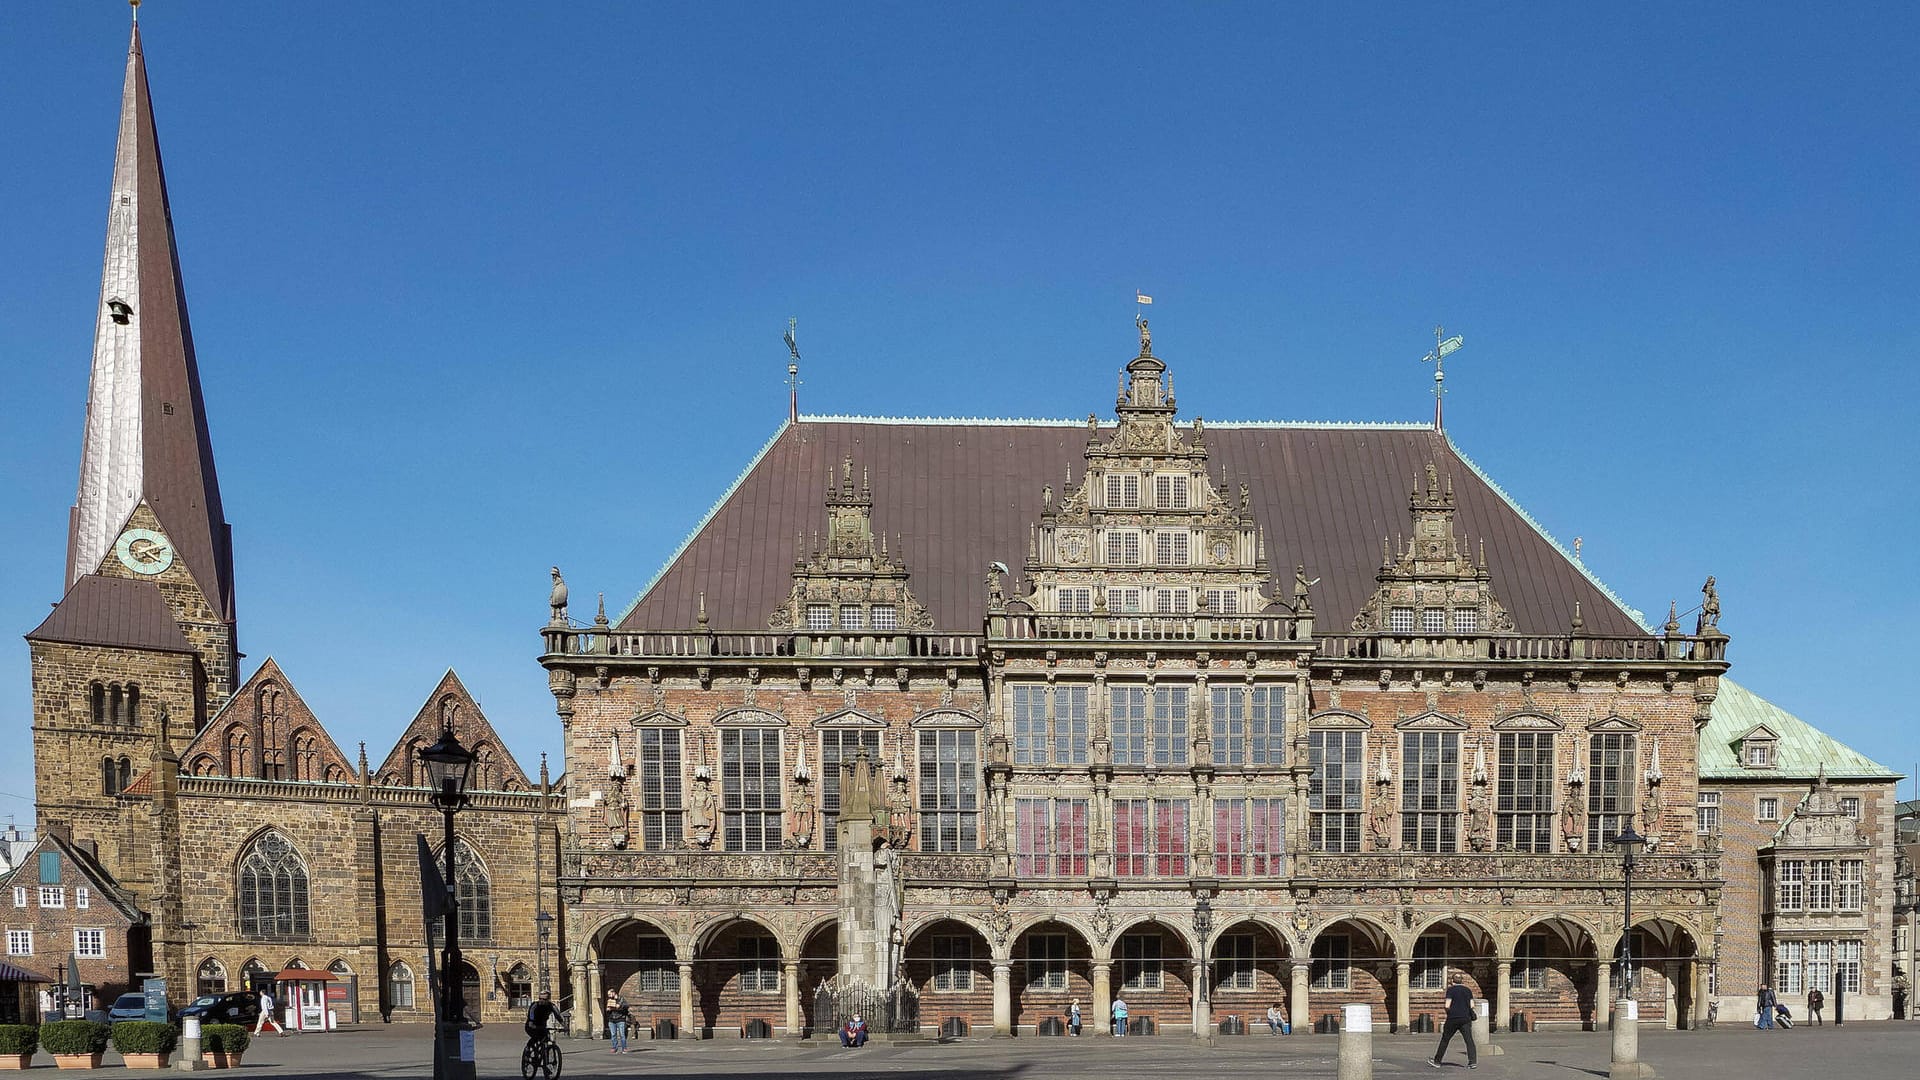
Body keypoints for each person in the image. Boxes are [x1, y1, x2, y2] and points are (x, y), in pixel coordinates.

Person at [1429, 973, 1477, 1069]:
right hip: (1465, 1018)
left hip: (1453, 1018)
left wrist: (1450, 1012)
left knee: (1445, 1039)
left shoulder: (1451, 990)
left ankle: (1437, 1061)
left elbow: (1447, 1005)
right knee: (1469, 1040)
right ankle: (1472, 1062)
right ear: (1462, 980)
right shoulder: (1468, 990)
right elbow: (1472, 1005)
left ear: (1452, 981)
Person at [604, 988, 630, 1053]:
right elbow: (608, 1010)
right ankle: (614, 1048)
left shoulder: (621, 999)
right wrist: (608, 1010)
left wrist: (620, 1006)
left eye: (609, 994)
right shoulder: (609, 1000)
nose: (609, 995)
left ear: (613, 993)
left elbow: (627, 1006)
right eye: (608, 994)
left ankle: (624, 1048)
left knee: (622, 1034)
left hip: (620, 1019)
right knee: (613, 1035)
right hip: (612, 1020)